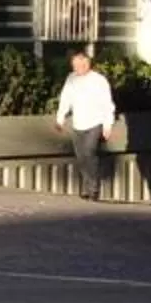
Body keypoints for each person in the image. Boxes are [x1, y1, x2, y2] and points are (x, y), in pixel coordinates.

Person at [54, 50, 117, 201]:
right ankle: (87, 186)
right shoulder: (71, 79)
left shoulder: (99, 80)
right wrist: (60, 119)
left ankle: (94, 189)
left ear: (87, 64)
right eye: (75, 65)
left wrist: (107, 125)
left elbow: (107, 103)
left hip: (95, 123)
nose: (77, 68)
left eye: (80, 65)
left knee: (90, 153)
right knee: (81, 157)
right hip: (78, 123)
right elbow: (65, 100)